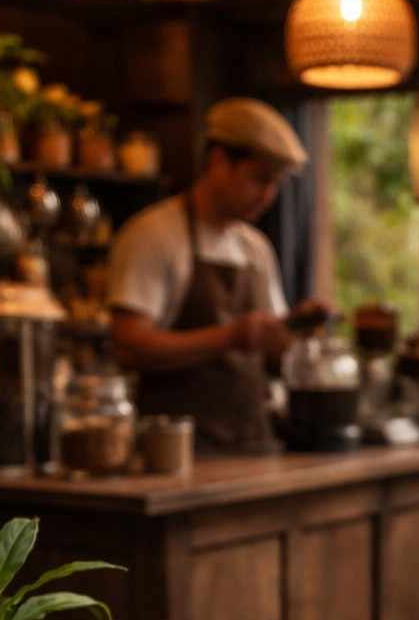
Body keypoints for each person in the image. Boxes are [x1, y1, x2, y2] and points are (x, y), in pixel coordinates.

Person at [108, 98, 320, 453]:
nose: (268, 196)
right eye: (259, 179)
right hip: (178, 454)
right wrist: (229, 337)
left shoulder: (256, 248)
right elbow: (129, 344)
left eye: (276, 184)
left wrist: (296, 328)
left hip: (254, 445)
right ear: (219, 161)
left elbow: (271, 351)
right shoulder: (155, 234)